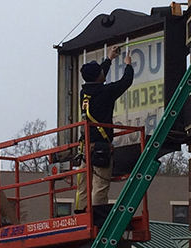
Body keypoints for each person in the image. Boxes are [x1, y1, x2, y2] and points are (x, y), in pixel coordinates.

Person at [76, 45, 134, 211]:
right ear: (99, 75)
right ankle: (96, 216)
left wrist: (109, 59)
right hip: (101, 148)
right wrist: (127, 64)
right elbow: (125, 82)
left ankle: (81, 213)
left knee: (84, 185)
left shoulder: (84, 93)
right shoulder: (105, 92)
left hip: (85, 148)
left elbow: (97, 79)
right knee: (100, 185)